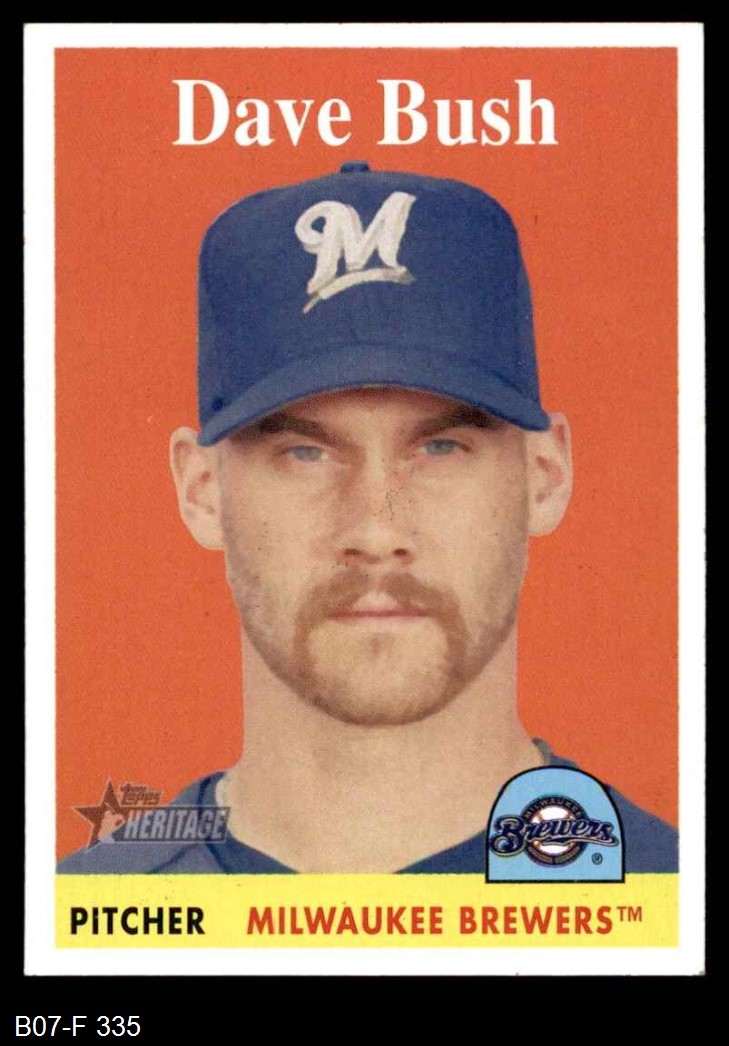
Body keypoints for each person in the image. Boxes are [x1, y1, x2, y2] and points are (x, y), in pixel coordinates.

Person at [59, 162, 677, 875]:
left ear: (546, 474)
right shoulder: (89, 918)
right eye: (304, 453)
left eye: (441, 448)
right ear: (201, 491)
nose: (377, 533)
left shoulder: (668, 905)